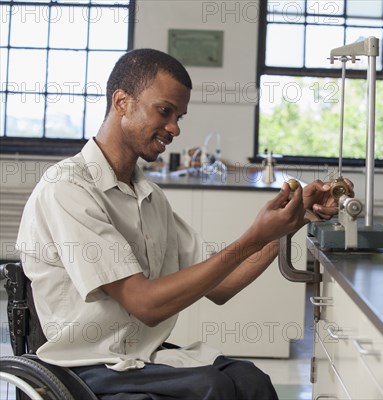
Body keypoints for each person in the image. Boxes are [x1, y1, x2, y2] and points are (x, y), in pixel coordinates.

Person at [16, 48, 349, 400]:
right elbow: (145, 304)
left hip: (143, 359)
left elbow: (222, 286)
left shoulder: (149, 196)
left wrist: (289, 224)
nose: (174, 127)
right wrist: (254, 235)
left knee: (251, 380)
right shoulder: (68, 188)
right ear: (122, 102)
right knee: (213, 389)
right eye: (165, 111)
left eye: (179, 116)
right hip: (87, 366)